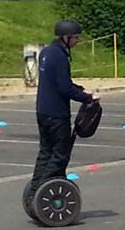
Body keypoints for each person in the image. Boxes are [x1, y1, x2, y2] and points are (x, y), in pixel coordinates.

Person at [23, 20, 98, 206]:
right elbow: (65, 89)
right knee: (59, 156)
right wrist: (88, 98)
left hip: (42, 111)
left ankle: (34, 190)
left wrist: (81, 90)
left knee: (45, 153)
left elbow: (59, 82)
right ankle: (40, 192)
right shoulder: (60, 56)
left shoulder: (47, 52)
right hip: (57, 114)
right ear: (66, 37)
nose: (78, 40)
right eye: (75, 37)